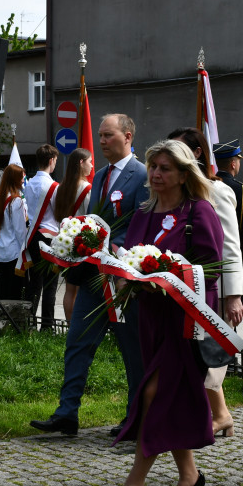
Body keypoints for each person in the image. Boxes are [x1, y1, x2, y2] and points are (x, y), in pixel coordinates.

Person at [107, 139, 221, 486]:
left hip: (186, 321)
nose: (155, 174)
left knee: (155, 392)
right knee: (167, 395)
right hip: (150, 319)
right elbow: (129, 261)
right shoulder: (142, 213)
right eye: (153, 166)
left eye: (165, 168)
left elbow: (211, 269)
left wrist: (186, 295)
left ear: (184, 174)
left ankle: (133, 483)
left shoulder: (199, 211)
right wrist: (124, 279)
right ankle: (189, 476)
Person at [30, 114, 145, 437]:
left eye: (108, 135)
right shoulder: (101, 176)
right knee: (77, 342)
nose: (102, 141)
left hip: (122, 280)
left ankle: (134, 416)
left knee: (131, 350)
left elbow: (139, 226)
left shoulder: (142, 176)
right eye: (100, 135)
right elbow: (95, 221)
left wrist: (119, 258)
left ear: (127, 135)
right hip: (94, 276)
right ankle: (67, 413)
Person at [168, 127, 243, 437]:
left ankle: (219, 416)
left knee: (211, 351)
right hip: (184, 284)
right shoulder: (175, 191)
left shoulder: (217, 190)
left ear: (196, 154)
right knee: (198, 352)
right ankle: (221, 415)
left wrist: (233, 295)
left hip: (215, 287)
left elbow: (229, 246)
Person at [213, 140, 243, 293]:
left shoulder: (207, 184)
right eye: (238, 161)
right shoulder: (240, 188)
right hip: (235, 254)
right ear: (233, 164)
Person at [52, 148, 93, 323]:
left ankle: (70, 325)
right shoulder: (86, 188)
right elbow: (92, 216)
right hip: (84, 245)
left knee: (70, 289)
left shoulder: (61, 187)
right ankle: (78, 326)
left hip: (66, 244)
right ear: (81, 163)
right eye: (90, 161)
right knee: (83, 290)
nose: (92, 166)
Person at [23, 144, 60, 330]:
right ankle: (47, 326)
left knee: (35, 283)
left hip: (33, 236)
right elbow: (58, 213)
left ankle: (28, 323)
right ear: (51, 160)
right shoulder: (54, 186)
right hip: (49, 237)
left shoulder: (29, 184)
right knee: (51, 284)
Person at [0, 164, 28, 300]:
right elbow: (20, 232)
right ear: (14, 179)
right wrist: (26, 252)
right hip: (14, 252)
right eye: (21, 178)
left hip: (0, 250)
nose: (23, 181)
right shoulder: (16, 201)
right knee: (14, 294)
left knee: (2, 293)